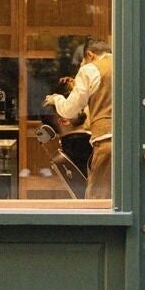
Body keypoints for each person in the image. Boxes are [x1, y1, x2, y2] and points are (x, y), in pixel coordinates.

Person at [44, 38, 113, 200]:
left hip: (107, 140)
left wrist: (57, 99)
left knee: (98, 199)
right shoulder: (125, 65)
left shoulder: (90, 69)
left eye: (82, 62)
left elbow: (69, 110)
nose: (81, 66)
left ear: (90, 55)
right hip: (130, 141)